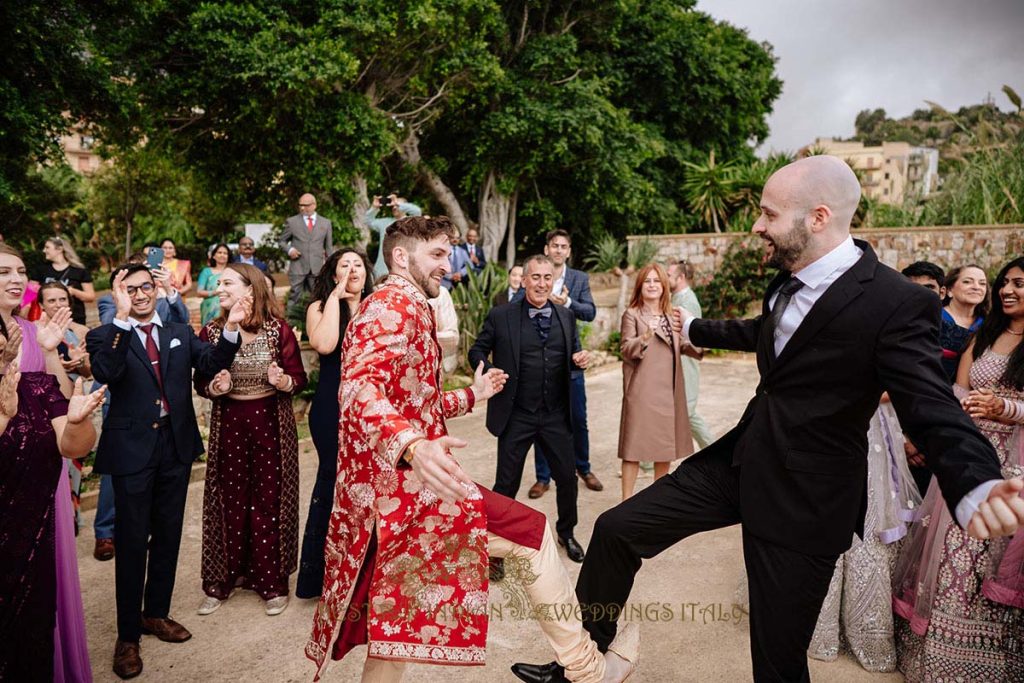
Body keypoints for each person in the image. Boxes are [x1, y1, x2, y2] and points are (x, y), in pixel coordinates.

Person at [512, 155, 1020, 683]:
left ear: (818, 218)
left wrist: (976, 481)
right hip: (741, 458)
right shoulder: (786, 279)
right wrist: (696, 330)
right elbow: (772, 331)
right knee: (616, 528)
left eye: (768, 214)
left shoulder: (897, 303)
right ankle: (582, 663)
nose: (757, 226)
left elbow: (929, 402)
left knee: (776, 663)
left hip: (806, 498)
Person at [307, 216, 632, 683]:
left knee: (391, 636)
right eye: (437, 255)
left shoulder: (409, 304)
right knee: (533, 533)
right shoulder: (391, 306)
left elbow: (411, 401)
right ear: (401, 256)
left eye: (448, 254)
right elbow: (358, 392)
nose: (448, 265)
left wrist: (470, 396)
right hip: (404, 496)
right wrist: (414, 445)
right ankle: (587, 670)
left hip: (398, 495)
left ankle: (584, 669)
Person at [86, 263, 247, 679]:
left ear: (156, 289)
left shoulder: (178, 332)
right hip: (131, 453)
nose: (140, 295)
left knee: (169, 538)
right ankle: (127, 636)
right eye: (129, 289)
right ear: (118, 293)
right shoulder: (106, 335)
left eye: (145, 287)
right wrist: (120, 319)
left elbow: (210, 363)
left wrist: (230, 327)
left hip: (174, 448)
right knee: (133, 542)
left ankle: (155, 613)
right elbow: (108, 372)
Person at [892, 256, 1024, 682]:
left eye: (1018, 284)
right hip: (971, 455)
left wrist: (1006, 408)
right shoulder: (984, 334)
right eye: (1004, 283)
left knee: (995, 557)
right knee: (952, 552)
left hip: (1014, 464)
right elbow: (958, 389)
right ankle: (937, 660)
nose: (1006, 291)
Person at [0, 243, 106, 683]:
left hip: (40, 499)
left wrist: (79, 418)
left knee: (36, 616)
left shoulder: (36, 335)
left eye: (20, 271)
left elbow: (71, 442)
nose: (14, 278)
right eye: (2, 270)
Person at [193, 263, 307, 617]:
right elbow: (200, 382)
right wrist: (215, 387)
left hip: (269, 422)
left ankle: (271, 582)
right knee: (229, 498)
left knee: (269, 499)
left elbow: (299, 379)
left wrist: (282, 380)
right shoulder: (211, 332)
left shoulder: (277, 331)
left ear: (249, 289)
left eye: (227, 282)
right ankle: (223, 580)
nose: (219, 286)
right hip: (231, 422)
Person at [470, 254, 591, 570]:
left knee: (566, 478)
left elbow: (566, 356)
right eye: (535, 277)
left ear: (554, 281)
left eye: (547, 278)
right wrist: (490, 370)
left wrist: (577, 360)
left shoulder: (566, 317)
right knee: (505, 484)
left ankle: (567, 532)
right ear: (524, 280)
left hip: (555, 415)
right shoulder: (501, 315)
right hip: (516, 414)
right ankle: (495, 548)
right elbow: (477, 349)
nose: (541, 283)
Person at [295, 248, 374, 599]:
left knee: (371, 488)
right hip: (333, 406)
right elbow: (325, 345)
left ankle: (367, 573)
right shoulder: (320, 308)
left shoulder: (377, 306)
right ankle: (323, 579)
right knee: (333, 484)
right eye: (345, 265)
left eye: (358, 265)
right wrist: (335, 296)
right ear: (333, 272)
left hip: (372, 408)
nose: (352, 269)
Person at [514, 230, 602, 499]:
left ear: (569, 251)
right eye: (555, 245)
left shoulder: (578, 279)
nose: (559, 250)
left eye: (564, 246)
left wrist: (568, 303)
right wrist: (537, 297)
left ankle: (583, 468)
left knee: (578, 418)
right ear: (547, 248)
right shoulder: (533, 276)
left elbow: (590, 312)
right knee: (542, 419)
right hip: (539, 365)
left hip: (570, 359)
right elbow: (516, 304)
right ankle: (543, 477)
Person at [618, 263, 697, 500]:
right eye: (647, 281)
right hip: (641, 391)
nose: (652, 285)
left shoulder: (672, 314)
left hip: (667, 393)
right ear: (640, 286)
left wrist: (702, 338)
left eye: (656, 281)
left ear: (664, 286)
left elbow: (683, 345)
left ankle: (656, 500)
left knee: (664, 449)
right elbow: (624, 349)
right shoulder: (632, 314)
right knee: (633, 449)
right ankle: (625, 501)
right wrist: (644, 336)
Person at [900, 260, 948, 496]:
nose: (919, 294)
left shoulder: (964, 335)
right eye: (912, 287)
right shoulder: (891, 331)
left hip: (947, 437)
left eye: (928, 288)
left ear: (942, 292)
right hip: (905, 442)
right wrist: (905, 440)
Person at [666, 259, 714, 449]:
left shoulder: (688, 302)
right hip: (677, 368)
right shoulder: (676, 299)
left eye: (669, 275)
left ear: (681, 277)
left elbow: (692, 340)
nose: (665, 278)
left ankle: (715, 452)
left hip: (686, 368)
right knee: (683, 413)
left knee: (687, 413)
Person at [280, 193, 334, 308]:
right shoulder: (292, 222)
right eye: (300, 205)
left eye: (306, 205)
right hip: (298, 265)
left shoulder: (326, 223)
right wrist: (290, 250)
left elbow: (329, 247)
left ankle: (315, 321)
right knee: (294, 296)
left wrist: (331, 267)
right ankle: (290, 323)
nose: (303, 208)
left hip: (317, 267)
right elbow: (282, 241)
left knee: (317, 296)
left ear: (314, 205)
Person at [939, 264, 988, 380]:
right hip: (932, 388)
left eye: (982, 283)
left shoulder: (988, 325)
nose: (976, 287)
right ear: (950, 290)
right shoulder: (933, 317)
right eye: (967, 282)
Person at [39, 235, 95, 326]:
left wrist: (72, 291)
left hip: (75, 318)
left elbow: (91, 296)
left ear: (60, 249)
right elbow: (31, 292)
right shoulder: (41, 270)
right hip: (48, 320)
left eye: (47, 247)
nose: (44, 250)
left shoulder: (79, 271)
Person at [365, 192, 422, 279]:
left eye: (397, 205)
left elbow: (417, 211)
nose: (395, 207)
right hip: (381, 271)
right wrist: (374, 207)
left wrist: (397, 203)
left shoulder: (411, 222)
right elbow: (368, 221)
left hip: (403, 271)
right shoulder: (384, 222)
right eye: (393, 205)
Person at [197, 243, 231, 325]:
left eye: (225, 253)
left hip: (229, 306)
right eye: (219, 252)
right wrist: (215, 292)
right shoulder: (206, 272)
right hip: (209, 308)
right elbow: (199, 292)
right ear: (213, 256)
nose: (222, 255)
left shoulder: (232, 272)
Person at [431, 284, 460, 376]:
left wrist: (424, 335)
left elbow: (453, 337)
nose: (446, 269)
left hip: (434, 368)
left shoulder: (440, 293)